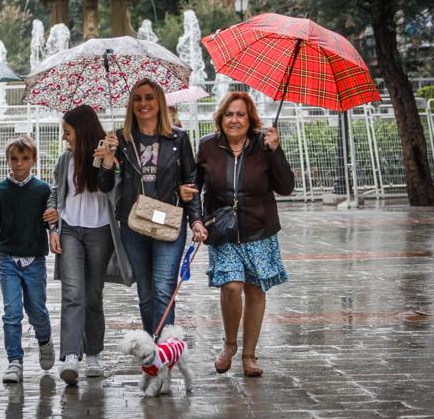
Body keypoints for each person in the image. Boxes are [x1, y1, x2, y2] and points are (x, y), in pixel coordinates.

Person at [193, 91, 294, 377]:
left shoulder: (264, 145)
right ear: (220, 117)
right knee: (231, 286)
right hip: (222, 228)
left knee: (255, 289)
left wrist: (277, 151)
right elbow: (193, 189)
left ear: (250, 119)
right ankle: (229, 344)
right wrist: (197, 221)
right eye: (229, 114)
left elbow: (286, 187)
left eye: (240, 114)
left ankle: (249, 355)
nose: (234, 120)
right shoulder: (207, 147)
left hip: (258, 229)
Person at [96, 79, 201, 335]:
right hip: (134, 223)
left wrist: (196, 220)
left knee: (163, 288)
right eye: (138, 98)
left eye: (149, 98)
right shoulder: (120, 139)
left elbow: (191, 181)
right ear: (131, 104)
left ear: (160, 102)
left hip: (168, 220)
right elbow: (104, 186)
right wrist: (108, 160)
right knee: (145, 292)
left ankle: (164, 353)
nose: (144, 104)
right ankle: (153, 352)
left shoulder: (178, 138)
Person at [47, 105, 122, 385]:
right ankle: (70, 356)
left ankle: (93, 354)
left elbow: (113, 189)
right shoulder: (65, 160)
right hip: (70, 232)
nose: (65, 137)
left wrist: (109, 160)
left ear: (82, 130)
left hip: (100, 232)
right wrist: (53, 227)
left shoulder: (110, 154)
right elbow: (55, 193)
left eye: (68, 132)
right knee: (72, 294)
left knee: (92, 296)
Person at [0, 135, 56, 384]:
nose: (19, 164)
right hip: (7, 259)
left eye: (25, 158)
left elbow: (52, 220)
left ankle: (45, 340)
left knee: (36, 310)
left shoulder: (42, 190)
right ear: (8, 160)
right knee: (11, 312)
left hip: (34, 260)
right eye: (14, 159)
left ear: (33, 160)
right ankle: (14, 361)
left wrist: (55, 227)